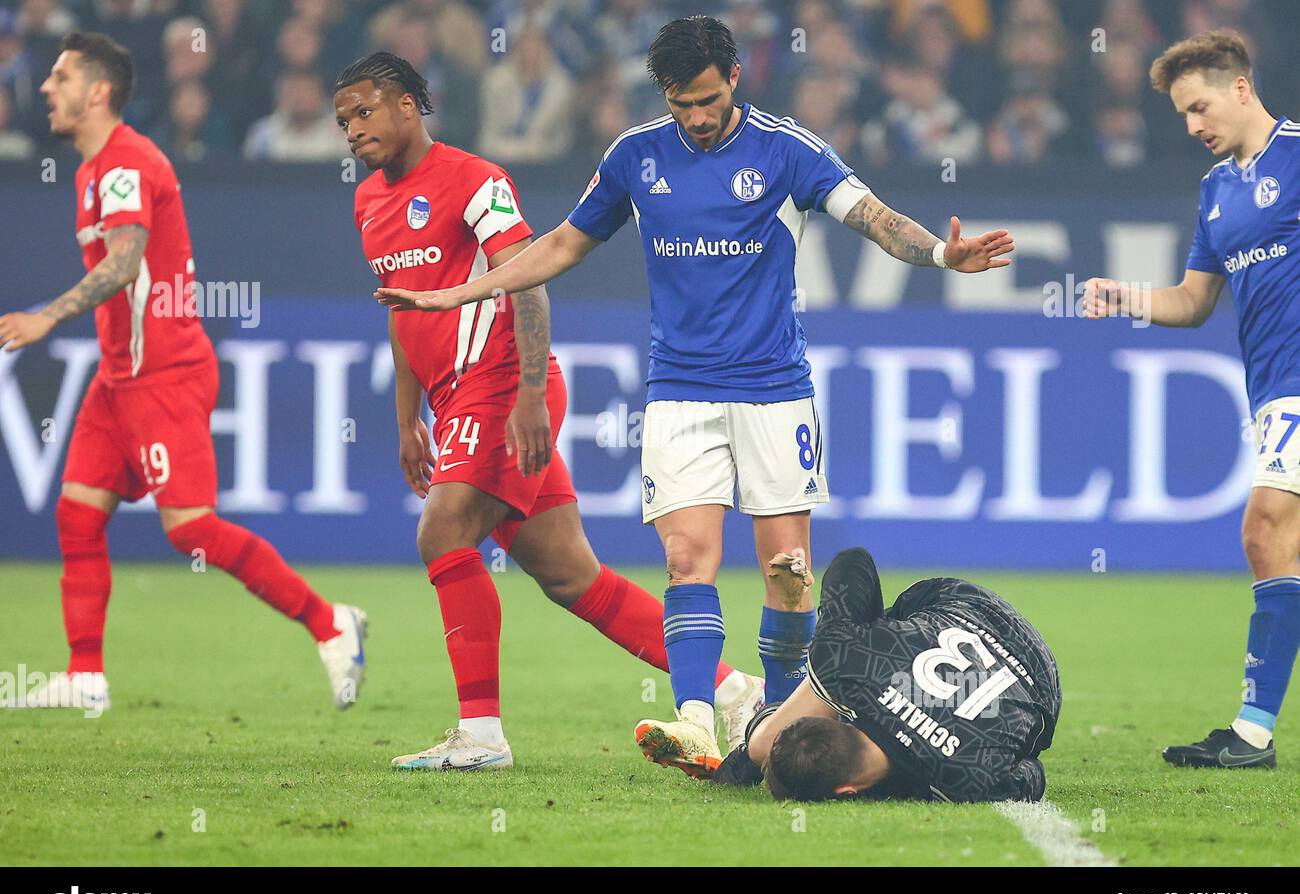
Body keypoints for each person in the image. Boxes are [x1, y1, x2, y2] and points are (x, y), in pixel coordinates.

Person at [373, 15, 1016, 776]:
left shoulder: (788, 150)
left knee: (786, 571)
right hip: (680, 392)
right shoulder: (635, 158)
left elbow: (871, 217)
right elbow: (559, 246)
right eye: (682, 104)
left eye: (709, 99)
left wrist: (943, 253)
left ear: (735, 79)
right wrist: (465, 293)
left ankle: (774, 728)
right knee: (686, 558)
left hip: (775, 392)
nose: (699, 117)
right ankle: (697, 724)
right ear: (665, 96)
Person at [333, 51, 762, 771]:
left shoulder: (476, 180)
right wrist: (408, 417)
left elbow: (529, 281)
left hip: (503, 383)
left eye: (364, 110)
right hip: (453, 397)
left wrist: (531, 393)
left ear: (409, 105)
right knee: (573, 577)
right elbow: (402, 312)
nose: (352, 128)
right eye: (343, 118)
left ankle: (481, 736)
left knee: (442, 534)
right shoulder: (368, 200)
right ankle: (738, 692)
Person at [0, 32, 366, 713]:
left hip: (165, 372)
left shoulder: (125, 165)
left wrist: (48, 317)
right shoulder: (89, 171)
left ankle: (330, 622)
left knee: (192, 529)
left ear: (98, 91)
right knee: (78, 515)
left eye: (60, 76)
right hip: (119, 378)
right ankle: (84, 676)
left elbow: (125, 262)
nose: (45, 88)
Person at [1084, 30, 1298, 769]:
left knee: (1265, 529)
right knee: (1273, 537)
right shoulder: (1215, 192)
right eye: (1182, 115)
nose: (1193, 127)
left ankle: (1252, 733)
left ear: (1241, 89)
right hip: (1271, 387)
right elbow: (1193, 301)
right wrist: (1124, 298)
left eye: (1200, 107)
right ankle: (1253, 731)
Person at [714, 547, 1061, 803]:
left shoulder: (969, 780)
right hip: (965, 606)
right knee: (839, 658)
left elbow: (1031, 773)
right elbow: (853, 561)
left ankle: (764, 735)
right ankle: (787, 716)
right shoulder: (841, 659)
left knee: (834, 666)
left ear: (847, 791)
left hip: (1040, 679)